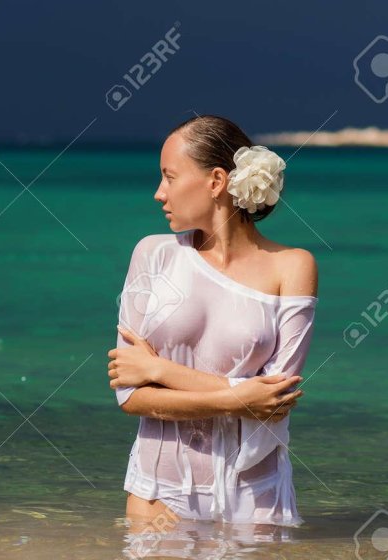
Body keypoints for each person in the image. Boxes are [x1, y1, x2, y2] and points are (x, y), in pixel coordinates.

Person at [107, 115, 318, 528]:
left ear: (217, 181)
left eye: (169, 177)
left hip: (257, 503)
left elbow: (273, 403)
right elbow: (131, 397)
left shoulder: (292, 266)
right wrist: (238, 398)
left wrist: (160, 370)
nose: (158, 193)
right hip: (157, 495)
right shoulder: (152, 256)